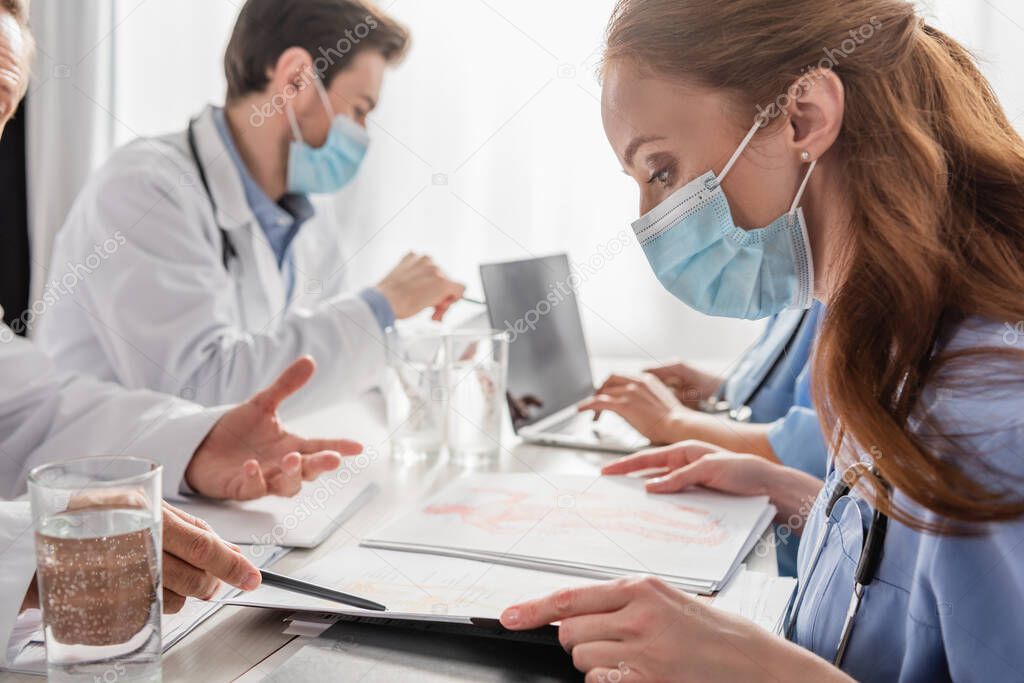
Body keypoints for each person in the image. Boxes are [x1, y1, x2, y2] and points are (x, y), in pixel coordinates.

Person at [499, 1, 1024, 680]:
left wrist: (756, 669)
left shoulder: (993, 422)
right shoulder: (886, 350)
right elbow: (918, 586)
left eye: (661, 170)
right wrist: (809, 504)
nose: (649, 220)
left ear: (804, 118)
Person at [0, 1, 363, 663]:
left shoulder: (295, 218)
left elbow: (28, 412)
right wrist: (25, 551)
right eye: (361, 111)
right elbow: (204, 371)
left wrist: (197, 441)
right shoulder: (147, 184)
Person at [36, 0, 465, 412]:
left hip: (233, 480)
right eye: (358, 110)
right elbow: (201, 391)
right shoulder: (144, 188)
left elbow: (330, 370)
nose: (362, 134)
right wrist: (380, 307)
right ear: (296, 79)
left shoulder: (304, 217)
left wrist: (443, 348)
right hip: (106, 479)